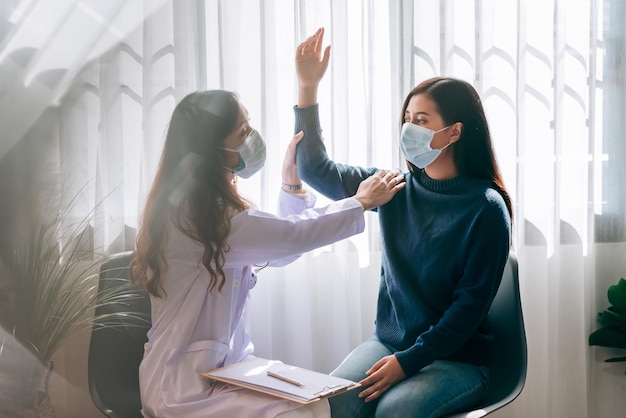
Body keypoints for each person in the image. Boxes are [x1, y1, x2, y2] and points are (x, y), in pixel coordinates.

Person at [129, 90, 405, 418]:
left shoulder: (214, 209)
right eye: (242, 133)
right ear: (212, 149)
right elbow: (291, 236)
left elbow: (277, 251)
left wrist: (292, 186)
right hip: (180, 388)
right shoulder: (197, 216)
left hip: (223, 371)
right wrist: (360, 202)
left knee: (316, 403)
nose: (252, 139)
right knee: (302, 415)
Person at [293, 28, 513, 418]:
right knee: (331, 406)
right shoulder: (392, 187)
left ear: (454, 132)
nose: (408, 128)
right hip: (390, 344)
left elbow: (467, 310)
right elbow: (314, 170)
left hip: (456, 358)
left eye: (421, 119)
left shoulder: (486, 208)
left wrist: (409, 362)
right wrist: (308, 87)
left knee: (395, 411)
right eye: (407, 118)